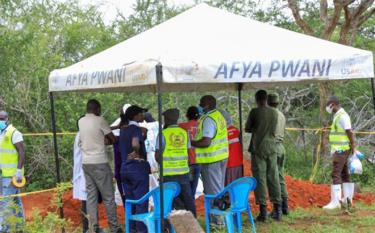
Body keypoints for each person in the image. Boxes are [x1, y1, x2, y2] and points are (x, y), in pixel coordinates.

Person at [78, 99, 121, 233]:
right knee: (108, 197)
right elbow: (113, 139)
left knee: (91, 197)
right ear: (97, 109)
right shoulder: (100, 120)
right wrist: (107, 141)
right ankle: (114, 228)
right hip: (99, 162)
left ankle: (92, 228)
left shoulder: (81, 121)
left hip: (86, 163)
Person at [191, 95, 229, 226]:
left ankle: (218, 222)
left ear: (207, 105)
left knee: (213, 191)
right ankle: (220, 218)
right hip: (221, 157)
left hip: (211, 159)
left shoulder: (208, 119)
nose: (199, 105)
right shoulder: (218, 115)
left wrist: (192, 143)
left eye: (201, 103)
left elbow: (206, 141)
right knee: (219, 188)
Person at [245, 90, 282, 222]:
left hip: (258, 147)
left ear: (257, 99)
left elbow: (247, 128)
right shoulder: (274, 112)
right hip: (272, 147)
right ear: (266, 99)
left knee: (260, 177)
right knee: (273, 176)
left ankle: (263, 211)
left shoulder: (254, 112)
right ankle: (277, 209)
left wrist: (257, 128)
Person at [155, 108, 197, 217]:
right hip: (183, 173)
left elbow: (157, 156)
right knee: (188, 199)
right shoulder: (184, 133)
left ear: (167, 119)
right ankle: (193, 223)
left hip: (168, 175)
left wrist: (163, 165)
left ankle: (172, 226)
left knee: (170, 201)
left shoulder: (163, 133)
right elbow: (187, 152)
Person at [119, 105, 150, 233]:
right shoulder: (136, 129)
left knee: (130, 202)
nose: (143, 116)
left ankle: (132, 230)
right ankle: (142, 230)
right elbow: (135, 143)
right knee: (141, 202)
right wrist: (136, 151)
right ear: (135, 116)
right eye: (141, 113)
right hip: (137, 168)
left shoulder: (123, 129)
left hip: (124, 168)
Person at [323, 96, 357, 210]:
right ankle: (347, 199)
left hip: (341, 149)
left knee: (336, 173)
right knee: (344, 173)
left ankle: (336, 202)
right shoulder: (338, 116)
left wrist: (354, 147)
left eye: (328, 106)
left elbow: (349, 132)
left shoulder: (343, 116)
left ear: (333, 104)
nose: (328, 108)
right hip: (340, 148)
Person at [0, 110, 25, 232]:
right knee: (15, 202)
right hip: (3, 174)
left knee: (5, 204)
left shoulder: (14, 133)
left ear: (7, 119)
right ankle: (21, 228)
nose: (1, 121)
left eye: (2, 118)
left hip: (11, 176)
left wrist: (19, 171)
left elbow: (22, 152)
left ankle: (5, 229)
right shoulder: (1, 133)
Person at [267, 93, 289, 215]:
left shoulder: (269, 114)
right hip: (281, 147)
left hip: (273, 147)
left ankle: (277, 208)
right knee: (280, 176)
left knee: (273, 178)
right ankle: (285, 206)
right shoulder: (281, 115)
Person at [178, 106, 201, 196]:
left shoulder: (181, 126)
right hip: (199, 160)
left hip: (187, 161)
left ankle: (187, 207)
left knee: (186, 189)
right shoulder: (201, 125)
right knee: (194, 187)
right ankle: (191, 206)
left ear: (187, 115)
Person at [111, 104, 131, 205]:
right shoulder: (116, 127)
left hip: (131, 170)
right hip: (121, 170)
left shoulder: (135, 127)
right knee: (124, 193)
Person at [220, 110, 244, 186]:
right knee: (237, 186)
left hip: (228, 165)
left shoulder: (222, 133)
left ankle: (228, 197)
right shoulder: (236, 130)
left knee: (229, 188)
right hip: (238, 163)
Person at [139, 112, 160, 191]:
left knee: (152, 173)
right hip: (160, 151)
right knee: (158, 172)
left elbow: (148, 141)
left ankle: (154, 190)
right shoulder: (159, 124)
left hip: (150, 152)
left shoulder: (146, 126)